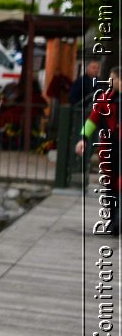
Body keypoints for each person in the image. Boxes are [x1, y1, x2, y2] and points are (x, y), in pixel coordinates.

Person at [75, 67, 119, 236]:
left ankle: (117, 221)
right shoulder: (104, 99)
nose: (109, 81)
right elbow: (92, 120)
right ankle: (113, 220)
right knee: (109, 184)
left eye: (113, 78)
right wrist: (83, 138)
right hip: (108, 146)